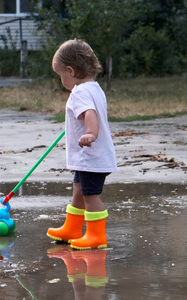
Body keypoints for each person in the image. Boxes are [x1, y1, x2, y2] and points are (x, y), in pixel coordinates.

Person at [47, 39, 117, 250]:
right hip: (88, 158)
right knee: (79, 191)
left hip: (90, 156)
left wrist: (90, 133)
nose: (61, 80)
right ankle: (72, 229)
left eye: (61, 75)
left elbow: (90, 114)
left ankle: (96, 236)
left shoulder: (79, 92)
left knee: (90, 196)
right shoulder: (94, 88)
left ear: (71, 70)